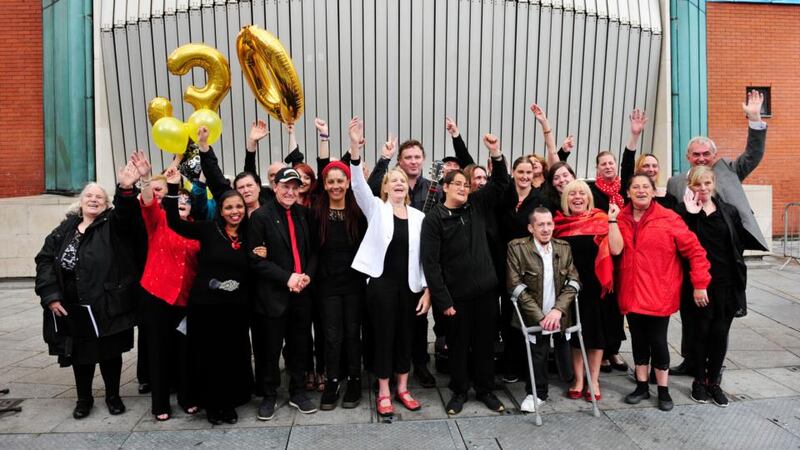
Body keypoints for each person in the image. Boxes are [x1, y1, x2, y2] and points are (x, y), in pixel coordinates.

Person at [667, 90, 768, 377]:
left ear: (713, 155)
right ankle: (691, 361)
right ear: (687, 156)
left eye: (706, 153)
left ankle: (714, 367)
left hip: (723, 262)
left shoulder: (728, 172)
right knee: (691, 317)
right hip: (688, 262)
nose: (701, 158)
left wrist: (755, 118)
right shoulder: (675, 183)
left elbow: (753, 154)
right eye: (695, 154)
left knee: (720, 319)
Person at [35, 162, 142, 420]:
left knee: (109, 353)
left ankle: (113, 397)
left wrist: (125, 188)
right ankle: (84, 399)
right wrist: (51, 295)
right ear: (81, 202)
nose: (94, 200)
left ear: (106, 204)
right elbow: (45, 260)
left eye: (99, 197)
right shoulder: (65, 229)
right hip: (73, 303)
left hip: (106, 301)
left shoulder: (112, 224)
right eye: (89, 196)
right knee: (81, 355)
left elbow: (127, 214)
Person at [421, 133, 509, 415]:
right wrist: (443, 301)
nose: (463, 188)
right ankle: (459, 391)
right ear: (445, 187)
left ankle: (485, 390)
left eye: (466, 184)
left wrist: (495, 153)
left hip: (485, 292)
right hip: (455, 298)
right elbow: (431, 263)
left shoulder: (477, 206)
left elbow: (500, 183)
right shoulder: (434, 218)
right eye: (457, 184)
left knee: (485, 344)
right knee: (458, 347)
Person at [349, 117, 432, 417]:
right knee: (383, 337)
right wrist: (355, 148)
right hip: (381, 286)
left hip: (410, 287)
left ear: (406, 189)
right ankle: (384, 391)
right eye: (392, 180)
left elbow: (426, 258)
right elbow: (357, 183)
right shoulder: (375, 209)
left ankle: (403, 388)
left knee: (405, 338)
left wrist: (427, 290)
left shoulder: (420, 218)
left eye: (401, 181)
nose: (398, 183)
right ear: (385, 187)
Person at [163, 156, 254, 424]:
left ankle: (230, 403)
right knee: (208, 355)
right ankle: (212, 404)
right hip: (205, 307)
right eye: (229, 207)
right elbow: (175, 224)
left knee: (233, 356)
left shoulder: (251, 233)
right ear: (221, 210)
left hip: (236, 308)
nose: (235, 211)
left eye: (239, 206)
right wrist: (171, 189)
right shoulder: (207, 230)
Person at [616, 174, 711, 412]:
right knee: (638, 341)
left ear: (653, 191)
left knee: (658, 342)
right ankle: (640, 386)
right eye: (635, 187)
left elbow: (696, 251)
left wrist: (700, 283)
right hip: (630, 293)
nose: (640, 191)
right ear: (628, 192)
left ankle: (663, 390)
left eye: (645, 187)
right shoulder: (619, 218)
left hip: (659, 293)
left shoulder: (669, 218)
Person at [130, 151, 201, 421]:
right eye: (177, 205)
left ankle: (187, 397)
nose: (181, 209)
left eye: (185, 205)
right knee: (158, 350)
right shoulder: (158, 222)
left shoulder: (197, 230)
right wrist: (146, 178)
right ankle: (160, 403)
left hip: (185, 299)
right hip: (156, 294)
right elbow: (148, 203)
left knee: (185, 350)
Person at [248, 165, 318, 420]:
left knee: (300, 346)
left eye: (294, 187)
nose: (290, 191)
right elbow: (256, 260)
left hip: (302, 293)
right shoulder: (260, 217)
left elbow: (312, 252)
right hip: (273, 296)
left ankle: (298, 391)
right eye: (285, 186)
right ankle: (269, 395)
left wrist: (306, 275)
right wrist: (288, 277)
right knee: (270, 349)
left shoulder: (304, 214)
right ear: (275, 187)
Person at [367, 136, 437, 388]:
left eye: (418, 156)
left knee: (413, 331)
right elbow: (367, 187)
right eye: (408, 157)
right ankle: (385, 384)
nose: (414, 161)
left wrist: (429, 288)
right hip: (385, 279)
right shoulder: (379, 204)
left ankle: (414, 372)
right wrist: (383, 157)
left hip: (414, 277)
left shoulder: (432, 190)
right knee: (386, 334)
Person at [310, 118, 368, 410]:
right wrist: (324, 136)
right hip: (327, 284)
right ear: (325, 184)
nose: (335, 185)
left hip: (354, 283)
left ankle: (355, 381)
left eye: (340, 181)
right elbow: (322, 162)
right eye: (330, 181)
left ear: (348, 183)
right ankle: (333, 381)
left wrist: (354, 145)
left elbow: (357, 173)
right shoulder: (318, 208)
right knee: (331, 335)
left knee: (351, 333)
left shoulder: (358, 208)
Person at [677, 166, 747, 407]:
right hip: (699, 285)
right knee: (701, 333)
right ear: (691, 187)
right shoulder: (686, 212)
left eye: (707, 183)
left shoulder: (728, 211)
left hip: (726, 284)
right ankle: (698, 380)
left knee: (720, 334)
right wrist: (690, 214)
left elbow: (737, 245)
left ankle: (713, 382)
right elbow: (681, 246)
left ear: (713, 183)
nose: (703, 188)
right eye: (698, 184)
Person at [553, 181, 624, 402]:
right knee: (575, 334)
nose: (577, 197)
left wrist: (612, 220)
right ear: (565, 198)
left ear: (588, 198)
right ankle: (578, 379)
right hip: (569, 288)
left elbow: (616, 249)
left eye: (582, 193)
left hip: (597, 286)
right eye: (572, 193)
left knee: (596, 335)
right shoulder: (558, 223)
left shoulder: (602, 219)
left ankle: (593, 380)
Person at [506, 207, 580, 412]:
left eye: (549, 224)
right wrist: (540, 317)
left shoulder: (563, 247)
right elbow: (515, 286)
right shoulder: (517, 247)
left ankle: (571, 379)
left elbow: (574, 281)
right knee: (537, 352)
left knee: (564, 361)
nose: (546, 229)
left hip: (558, 314)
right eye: (541, 225)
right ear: (531, 227)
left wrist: (557, 311)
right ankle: (536, 393)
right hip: (534, 315)